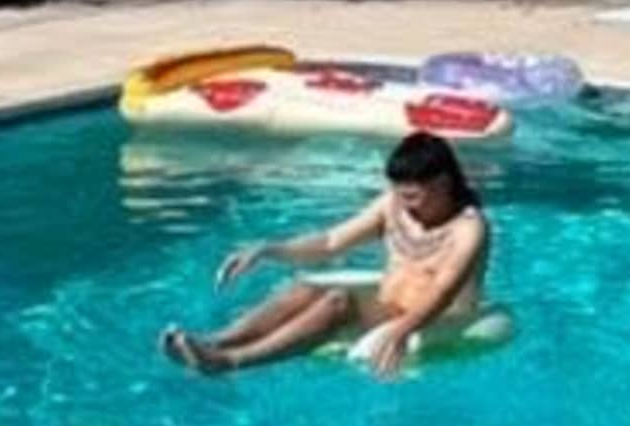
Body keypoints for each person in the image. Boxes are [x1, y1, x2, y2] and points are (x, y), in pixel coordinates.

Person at [161, 129, 492, 379]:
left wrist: (401, 331)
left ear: (443, 183)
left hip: (439, 318)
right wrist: (267, 249)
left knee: (338, 301)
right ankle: (216, 341)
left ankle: (230, 361)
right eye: (400, 194)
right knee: (305, 287)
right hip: (388, 303)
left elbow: (442, 291)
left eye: (413, 197)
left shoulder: (468, 228)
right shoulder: (393, 206)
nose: (405, 205)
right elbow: (332, 241)